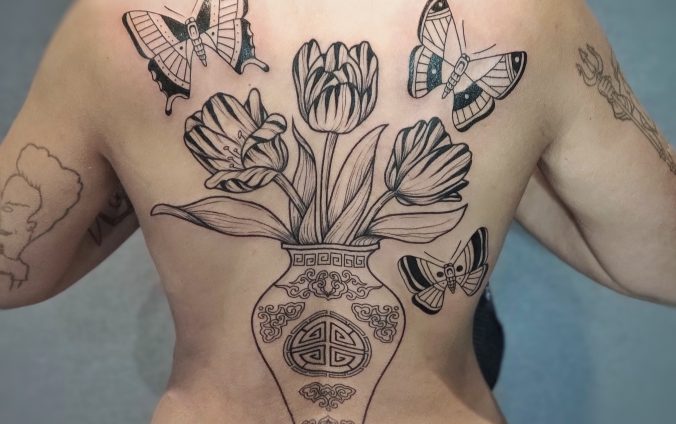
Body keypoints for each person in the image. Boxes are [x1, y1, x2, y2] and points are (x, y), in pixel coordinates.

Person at [0, 0, 674, 423]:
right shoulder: (533, 17)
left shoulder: (109, 24)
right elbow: (662, 261)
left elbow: (14, 273)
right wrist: (513, 162)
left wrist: (140, 169)